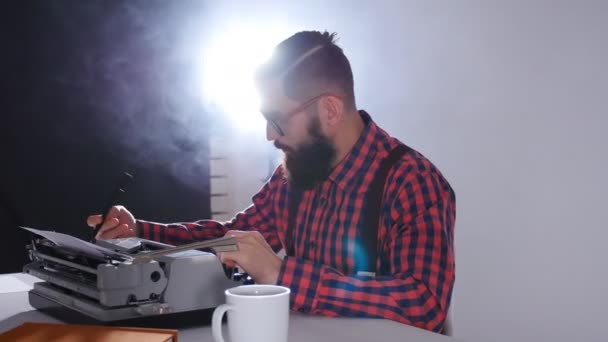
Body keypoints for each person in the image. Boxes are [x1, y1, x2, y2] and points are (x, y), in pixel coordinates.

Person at [87, 31, 456, 333]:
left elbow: (423, 305)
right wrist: (139, 232)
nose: (269, 135)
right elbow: (233, 238)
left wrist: (282, 273)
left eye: (277, 120)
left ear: (329, 109)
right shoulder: (297, 170)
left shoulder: (412, 182)